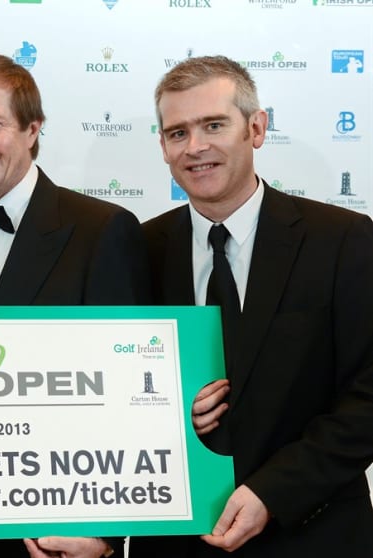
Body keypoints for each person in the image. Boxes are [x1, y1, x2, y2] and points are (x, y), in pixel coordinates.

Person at [129, 55, 373, 557]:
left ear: (256, 128)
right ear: (162, 147)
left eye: (213, 125)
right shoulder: (137, 249)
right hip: (177, 542)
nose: (195, 148)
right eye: (177, 133)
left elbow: (368, 396)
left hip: (313, 533)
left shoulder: (343, 239)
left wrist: (274, 493)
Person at [0, 53, 149, 558]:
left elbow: (133, 393)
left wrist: (105, 535)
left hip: (63, 532)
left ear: (32, 129)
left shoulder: (102, 229)